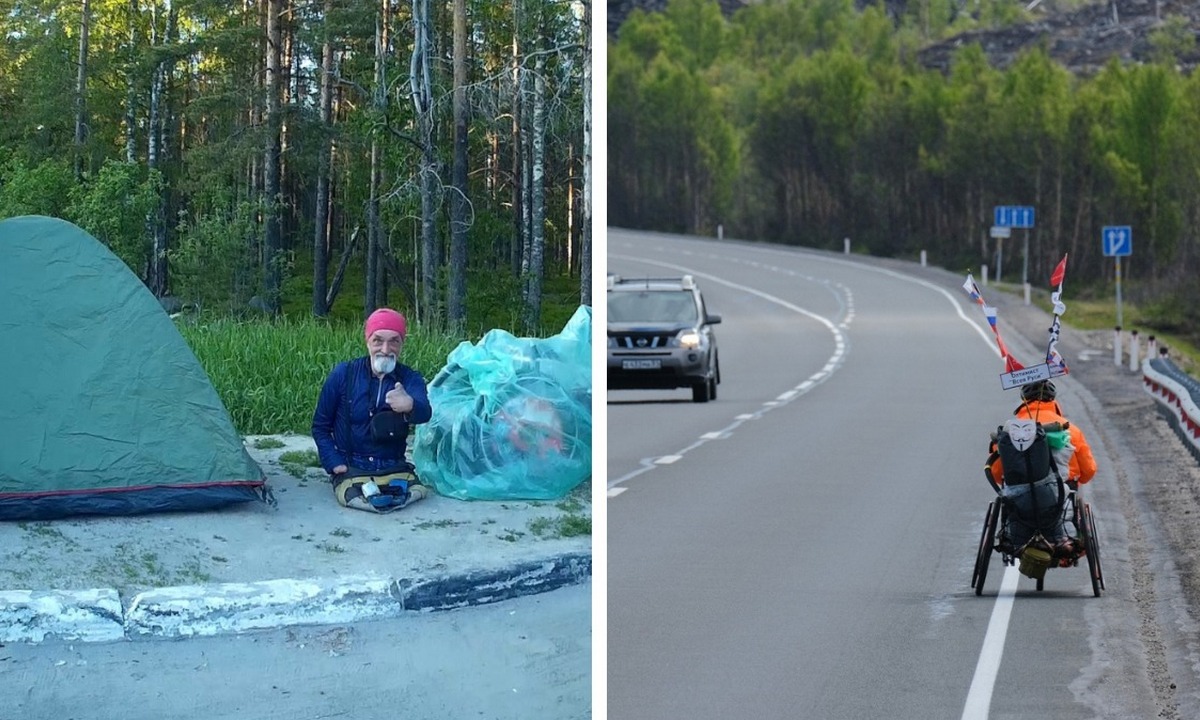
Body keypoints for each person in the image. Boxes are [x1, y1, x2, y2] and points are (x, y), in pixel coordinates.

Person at [312, 308, 433, 512]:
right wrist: (333, 462)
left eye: (394, 341)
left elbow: (425, 413)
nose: (386, 349)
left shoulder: (410, 378)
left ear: (402, 344)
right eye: (378, 340)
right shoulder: (344, 374)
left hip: (394, 467)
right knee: (353, 498)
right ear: (367, 341)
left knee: (417, 492)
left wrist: (410, 404)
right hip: (351, 467)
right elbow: (320, 426)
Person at [988, 379, 1097, 488]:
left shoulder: (1010, 432)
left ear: (1024, 399)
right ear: (1052, 398)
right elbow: (1088, 471)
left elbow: (996, 472)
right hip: (1062, 491)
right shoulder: (1071, 430)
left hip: (1020, 495)